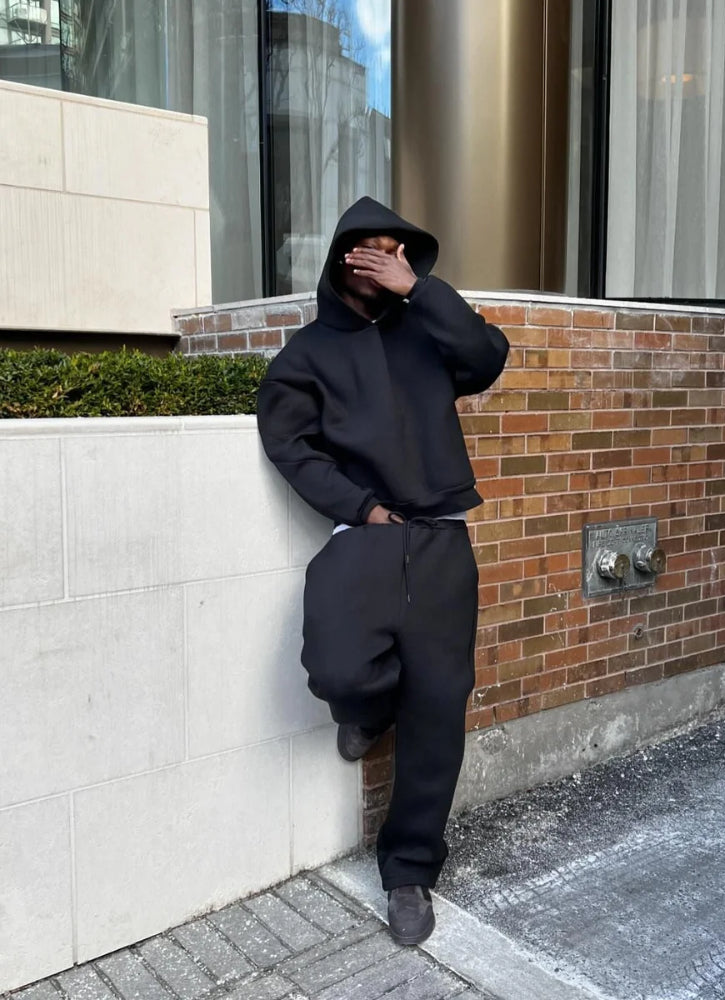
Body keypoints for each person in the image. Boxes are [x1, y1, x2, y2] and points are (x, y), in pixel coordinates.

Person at [256, 196, 509, 945]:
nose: (381, 258)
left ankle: (408, 872)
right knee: (337, 665)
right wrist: (361, 508)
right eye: (365, 247)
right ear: (341, 258)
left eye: (393, 249)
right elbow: (288, 442)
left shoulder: (426, 329)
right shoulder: (306, 355)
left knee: (438, 706)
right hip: (366, 535)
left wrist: (420, 292)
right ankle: (366, 709)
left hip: (441, 538)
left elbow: (487, 357)